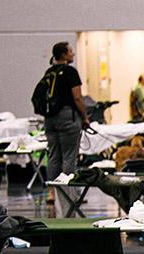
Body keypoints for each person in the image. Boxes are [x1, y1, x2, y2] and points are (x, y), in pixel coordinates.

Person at [43, 42, 90, 182]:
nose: (73, 54)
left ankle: (52, 191)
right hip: (67, 117)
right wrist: (85, 117)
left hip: (49, 118)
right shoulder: (70, 72)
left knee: (53, 155)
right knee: (69, 155)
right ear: (64, 54)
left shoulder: (49, 72)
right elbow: (77, 98)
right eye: (70, 51)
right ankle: (67, 191)